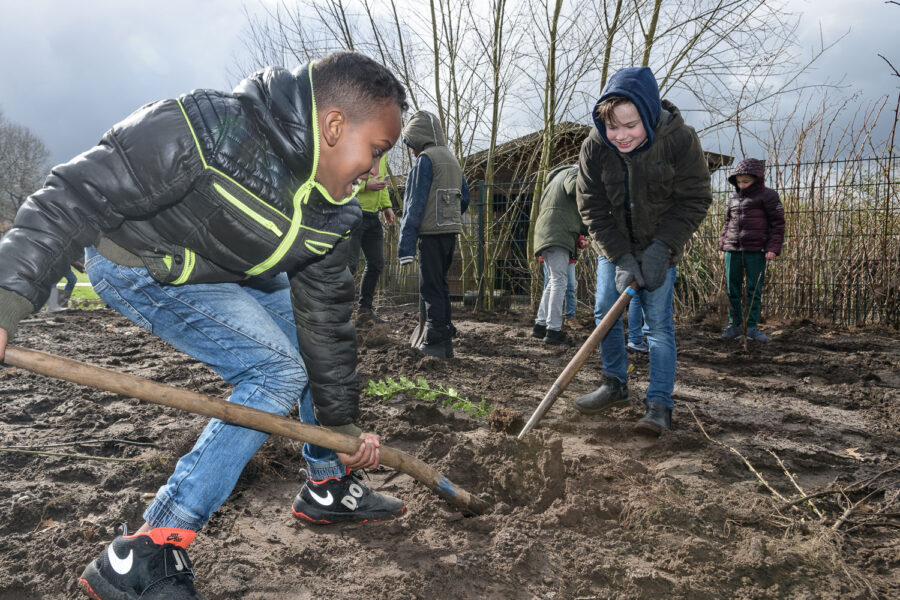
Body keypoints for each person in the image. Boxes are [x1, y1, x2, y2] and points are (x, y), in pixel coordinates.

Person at [0, 51, 409, 599]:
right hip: (139, 263)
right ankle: (150, 548)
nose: (377, 173)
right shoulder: (208, 130)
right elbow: (74, 194)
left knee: (305, 342)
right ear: (334, 126)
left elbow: (327, 321)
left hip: (228, 268)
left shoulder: (335, 212)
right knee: (276, 370)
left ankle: (327, 484)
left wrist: (340, 431)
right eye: (377, 152)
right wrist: (7, 302)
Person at [573, 66, 713, 436]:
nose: (620, 136)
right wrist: (619, 256)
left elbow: (695, 200)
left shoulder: (680, 140)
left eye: (630, 126)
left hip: (659, 248)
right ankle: (614, 385)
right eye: (613, 127)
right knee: (605, 310)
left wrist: (661, 249)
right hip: (614, 247)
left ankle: (659, 403)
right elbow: (591, 206)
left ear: (649, 115)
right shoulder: (595, 146)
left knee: (658, 325)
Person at [398, 110, 470, 360]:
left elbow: (414, 204)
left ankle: (435, 336)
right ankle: (445, 335)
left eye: (411, 145)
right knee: (441, 284)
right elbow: (466, 197)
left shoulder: (426, 160)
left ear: (417, 139)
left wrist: (405, 247)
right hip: (450, 232)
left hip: (430, 233)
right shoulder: (451, 159)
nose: (411, 151)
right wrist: (449, 217)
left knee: (429, 286)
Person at [718, 158, 785, 342]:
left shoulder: (769, 196)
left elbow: (778, 224)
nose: (742, 185)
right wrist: (723, 244)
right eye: (739, 182)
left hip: (757, 250)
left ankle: (752, 326)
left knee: (754, 289)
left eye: (746, 181)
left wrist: (773, 248)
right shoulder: (732, 197)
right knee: (733, 288)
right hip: (732, 249)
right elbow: (727, 222)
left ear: (757, 179)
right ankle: (735, 325)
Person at [530, 164, 589, 345]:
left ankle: (540, 326)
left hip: (545, 233)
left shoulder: (554, 181)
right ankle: (554, 330)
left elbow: (568, 209)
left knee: (553, 281)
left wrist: (582, 231)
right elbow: (575, 189)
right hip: (557, 233)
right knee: (559, 281)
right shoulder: (574, 172)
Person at [348, 153, 396, 324]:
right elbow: (345, 180)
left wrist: (386, 206)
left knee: (376, 263)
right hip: (353, 211)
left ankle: (364, 311)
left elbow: (381, 185)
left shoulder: (383, 154)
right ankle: (339, 312)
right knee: (349, 265)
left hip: (373, 216)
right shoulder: (359, 146)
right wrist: (365, 186)